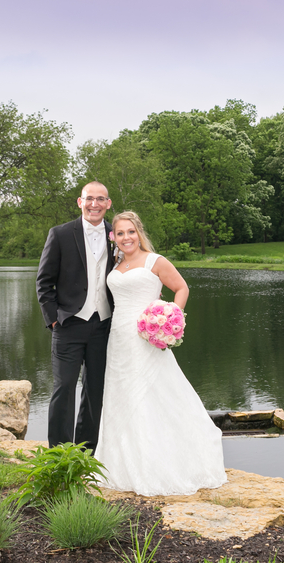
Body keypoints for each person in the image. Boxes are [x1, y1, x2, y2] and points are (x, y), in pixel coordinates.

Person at [95, 210, 227, 495]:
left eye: (130, 231)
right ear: (113, 237)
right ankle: (122, 464)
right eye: (120, 233)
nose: (126, 237)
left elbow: (181, 288)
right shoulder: (115, 265)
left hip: (146, 337)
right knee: (121, 396)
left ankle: (160, 463)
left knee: (155, 393)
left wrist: (169, 316)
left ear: (138, 232)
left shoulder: (155, 261)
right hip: (119, 339)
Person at [36, 181, 115, 452]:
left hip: (103, 326)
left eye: (100, 199)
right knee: (64, 388)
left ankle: (86, 451)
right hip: (68, 324)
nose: (94, 204)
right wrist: (53, 318)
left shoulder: (118, 235)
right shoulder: (59, 234)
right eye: (89, 198)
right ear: (80, 202)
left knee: (95, 392)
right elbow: (44, 282)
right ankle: (59, 453)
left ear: (108, 204)